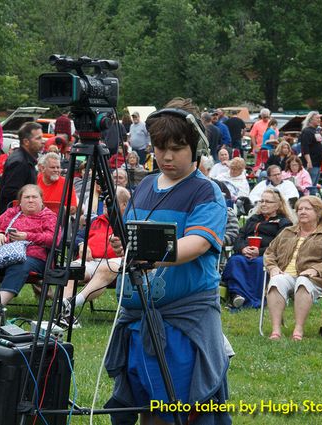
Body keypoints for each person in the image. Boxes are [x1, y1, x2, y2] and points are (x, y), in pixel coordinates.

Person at [90, 98, 231, 424]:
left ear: (196, 146)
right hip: (137, 322)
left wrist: (148, 256)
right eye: (160, 146)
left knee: (175, 413)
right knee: (142, 407)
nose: (166, 156)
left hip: (181, 326)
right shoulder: (146, 186)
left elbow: (196, 244)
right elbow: (134, 235)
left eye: (177, 147)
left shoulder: (206, 192)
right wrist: (124, 243)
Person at [264, 196, 322, 340]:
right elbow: (270, 252)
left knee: (303, 281)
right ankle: (276, 330)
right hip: (286, 274)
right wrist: (272, 268)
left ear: (318, 213)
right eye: (299, 209)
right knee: (276, 281)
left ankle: (298, 329)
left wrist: (316, 270)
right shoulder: (287, 232)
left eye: (307, 209)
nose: (302, 212)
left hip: (313, 278)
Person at [61, 186, 131, 323]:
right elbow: (76, 237)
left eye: (111, 201)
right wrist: (82, 244)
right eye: (105, 201)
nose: (105, 203)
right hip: (90, 262)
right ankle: (65, 316)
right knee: (71, 270)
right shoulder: (95, 221)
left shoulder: (128, 223)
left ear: (124, 204)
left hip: (115, 265)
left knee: (106, 268)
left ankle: (71, 304)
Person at [222, 189, 294, 308]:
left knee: (259, 263)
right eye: (262, 201)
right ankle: (237, 295)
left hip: (267, 256)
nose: (264, 204)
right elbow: (239, 236)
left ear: (278, 205)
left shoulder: (284, 222)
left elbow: (281, 244)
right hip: (245, 254)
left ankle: (253, 298)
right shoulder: (254, 218)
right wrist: (243, 249)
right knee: (235, 261)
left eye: (268, 202)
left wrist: (259, 252)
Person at [0, 184, 56, 305]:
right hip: (4, 253)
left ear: (41, 200)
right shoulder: (11, 213)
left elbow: (53, 239)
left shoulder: (49, 217)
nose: (31, 200)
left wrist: (27, 236)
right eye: (27, 197)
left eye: (34, 197)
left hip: (35, 257)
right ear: (20, 201)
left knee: (20, 265)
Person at [0, 122, 43, 213]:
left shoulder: (26, 159)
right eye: (38, 138)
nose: (42, 141)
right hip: (14, 216)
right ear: (26, 142)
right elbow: (9, 193)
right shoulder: (20, 162)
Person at [299, 111, 322, 195]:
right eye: (317, 118)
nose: (319, 119)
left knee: (314, 185)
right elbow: (305, 148)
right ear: (311, 120)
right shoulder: (306, 131)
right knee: (310, 186)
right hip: (311, 163)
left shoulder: (316, 131)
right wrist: (309, 161)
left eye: (319, 118)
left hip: (318, 163)